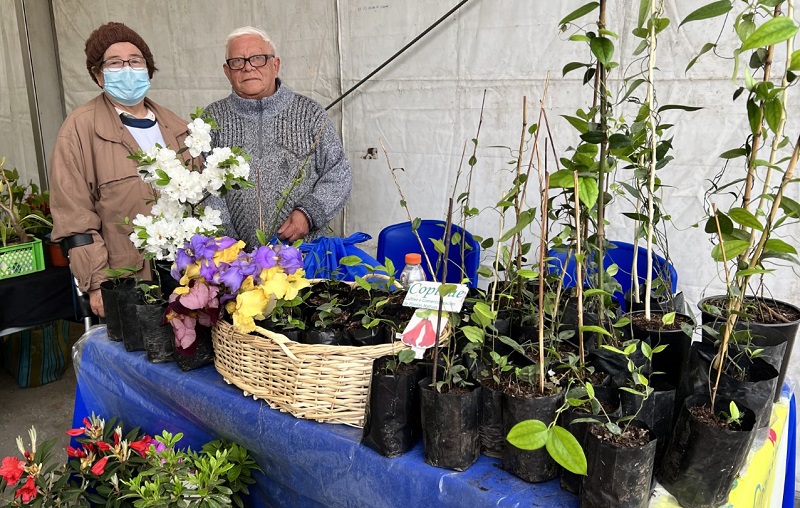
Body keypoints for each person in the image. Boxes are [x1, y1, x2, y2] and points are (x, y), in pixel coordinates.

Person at [49, 22, 194, 317]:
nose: (127, 69)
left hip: (185, 275)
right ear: (98, 75)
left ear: (148, 69)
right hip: (126, 281)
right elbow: (74, 217)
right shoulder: (79, 130)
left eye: (135, 61)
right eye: (114, 63)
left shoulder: (177, 127)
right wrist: (96, 284)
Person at [205, 26, 352, 246]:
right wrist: (228, 243)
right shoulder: (212, 119)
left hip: (303, 254)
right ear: (227, 72)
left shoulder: (309, 113)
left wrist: (307, 213)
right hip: (235, 262)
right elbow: (204, 184)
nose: (248, 68)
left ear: (275, 65)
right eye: (238, 61)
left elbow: (338, 173)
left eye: (258, 58)